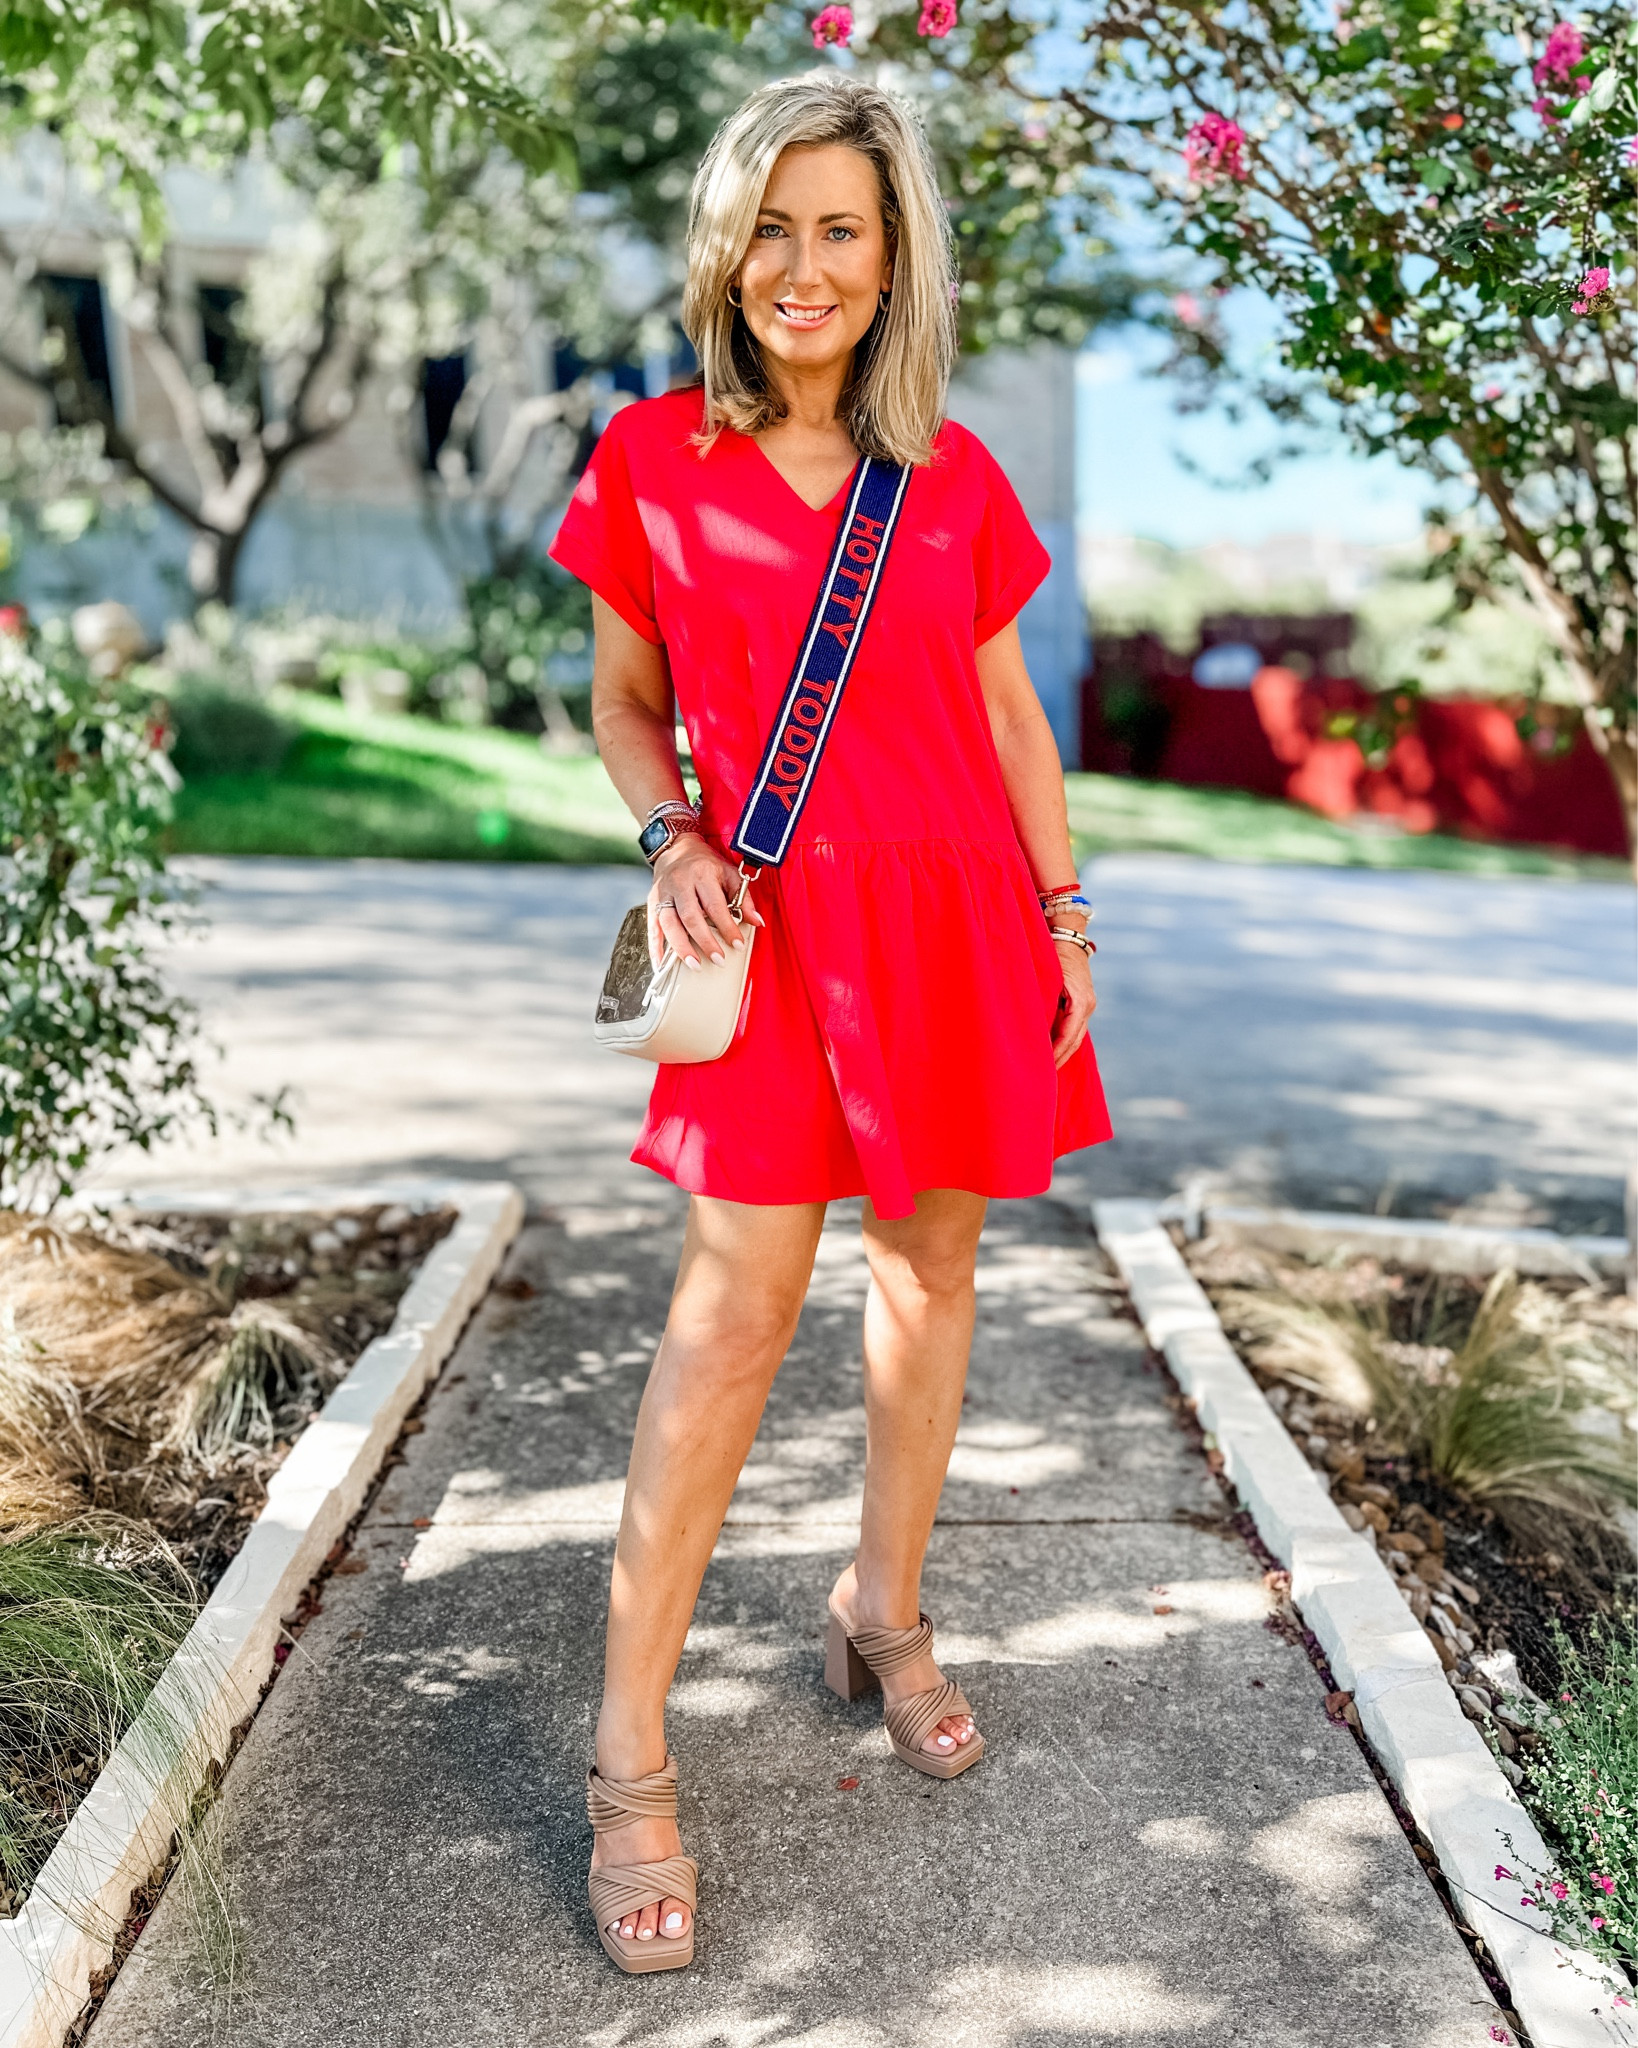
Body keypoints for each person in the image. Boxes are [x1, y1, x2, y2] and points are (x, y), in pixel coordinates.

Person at [549, 67, 1112, 1975]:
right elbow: (626, 701)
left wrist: (1061, 910)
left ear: (893, 264)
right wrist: (667, 830)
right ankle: (628, 1753)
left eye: (842, 232)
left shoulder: (947, 477)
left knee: (934, 1282)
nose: (803, 266)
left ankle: (882, 1608)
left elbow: (1013, 721)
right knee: (728, 1325)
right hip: (777, 934)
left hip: (955, 924)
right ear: (730, 244)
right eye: (773, 226)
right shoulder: (647, 458)